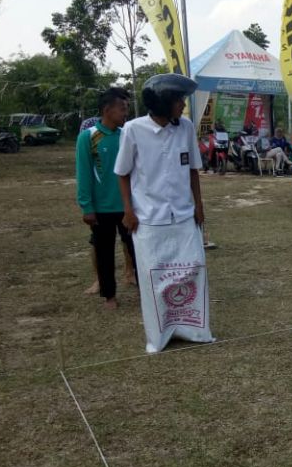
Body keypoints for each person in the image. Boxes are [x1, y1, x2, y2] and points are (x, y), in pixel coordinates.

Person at [115, 73, 213, 353]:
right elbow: (122, 174)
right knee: (155, 279)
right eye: (178, 99)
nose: (183, 104)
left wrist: (199, 206)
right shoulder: (133, 130)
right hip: (149, 220)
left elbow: (193, 170)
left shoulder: (185, 128)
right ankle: (159, 336)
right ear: (162, 103)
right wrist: (128, 211)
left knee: (192, 271)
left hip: (183, 216)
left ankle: (195, 330)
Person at [75, 87, 136, 310]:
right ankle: (109, 295)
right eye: (122, 109)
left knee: (135, 248)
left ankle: (143, 288)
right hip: (101, 208)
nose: (125, 113)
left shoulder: (128, 134)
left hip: (129, 206)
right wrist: (86, 207)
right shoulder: (88, 137)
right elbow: (83, 173)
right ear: (107, 110)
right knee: (104, 252)